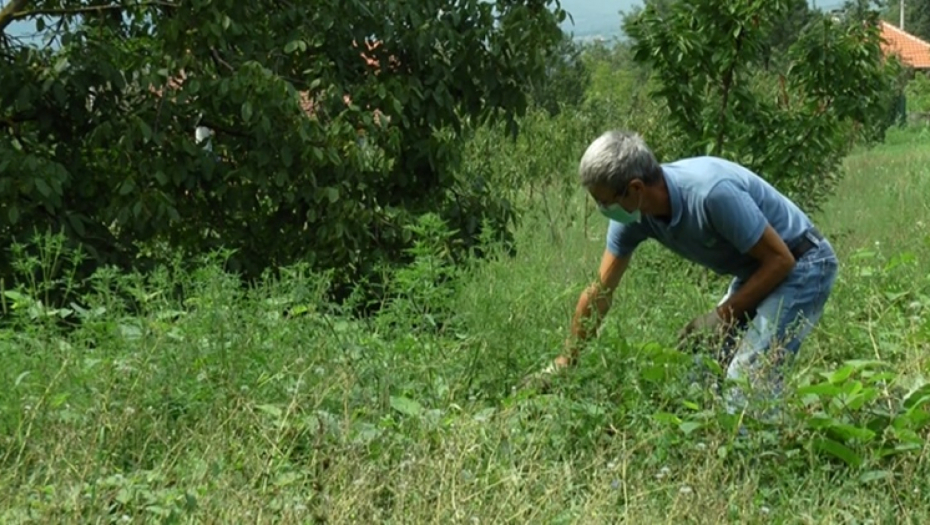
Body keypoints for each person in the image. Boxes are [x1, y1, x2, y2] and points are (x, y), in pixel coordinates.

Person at [534, 130, 839, 415]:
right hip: (758, 270)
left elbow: (780, 260)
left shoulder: (711, 193)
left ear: (635, 188)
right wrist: (566, 361)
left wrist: (721, 315)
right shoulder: (631, 216)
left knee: (746, 381)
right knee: (701, 376)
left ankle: (761, 461)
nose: (601, 208)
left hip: (804, 264)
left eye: (602, 200)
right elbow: (600, 291)